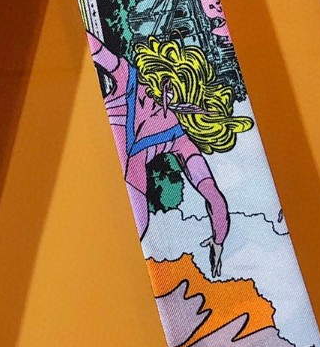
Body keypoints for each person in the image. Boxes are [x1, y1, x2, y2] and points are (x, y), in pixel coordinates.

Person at [89, 32, 253, 276]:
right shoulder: (129, 78)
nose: (165, 99)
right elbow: (95, 48)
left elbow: (215, 199)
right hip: (88, 167)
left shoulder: (179, 139)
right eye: (166, 85)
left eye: (177, 100)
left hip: (128, 205)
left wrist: (218, 242)